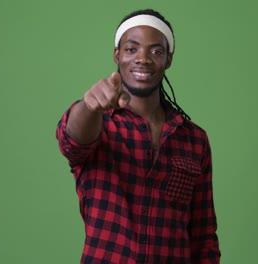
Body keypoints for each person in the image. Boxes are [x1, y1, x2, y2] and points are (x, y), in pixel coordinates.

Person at [56, 8, 220, 264]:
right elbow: (72, 144)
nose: (142, 59)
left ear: (168, 59)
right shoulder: (99, 123)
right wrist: (88, 107)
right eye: (131, 49)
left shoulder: (194, 139)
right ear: (117, 55)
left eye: (156, 51)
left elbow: (203, 235)